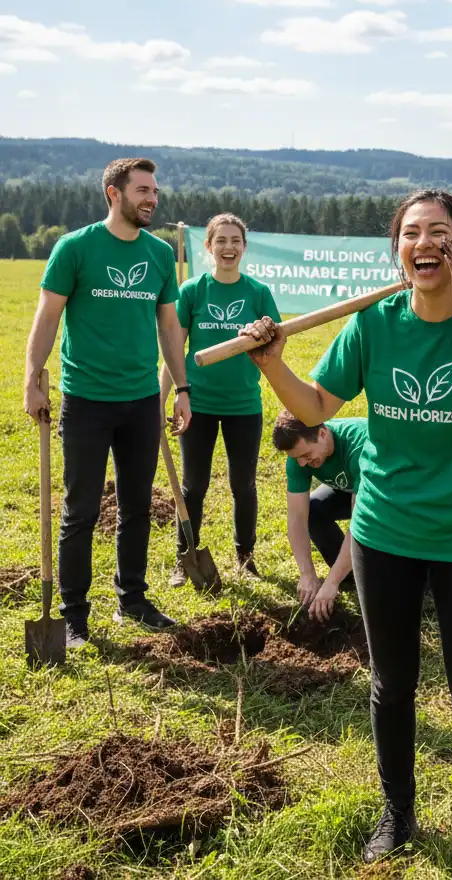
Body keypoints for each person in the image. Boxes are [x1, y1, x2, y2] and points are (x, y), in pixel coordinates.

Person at [238, 189, 452, 865]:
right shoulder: (373, 325)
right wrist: (270, 363)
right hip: (384, 532)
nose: (423, 242)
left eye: (439, 233)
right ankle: (397, 813)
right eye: (410, 233)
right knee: (391, 683)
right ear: (396, 250)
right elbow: (315, 405)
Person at [22, 157, 190, 648]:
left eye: (155, 191)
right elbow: (48, 316)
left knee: (137, 506)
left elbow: (168, 326)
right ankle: (74, 615)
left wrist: (181, 389)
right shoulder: (75, 248)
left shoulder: (159, 255)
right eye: (142, 190)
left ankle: (132, 599)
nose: (152, 199)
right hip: (86, 401)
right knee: (81, 510)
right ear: (113, 195)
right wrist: (32, 378)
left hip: (141, 401)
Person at [169, 213, 280, 585]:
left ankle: (245, 558)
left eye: (235, 241)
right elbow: (174, 347)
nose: (228, 248)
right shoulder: (192, 291)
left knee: (243, 485)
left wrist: (266, 335)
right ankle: (185, 559)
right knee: (193, 486)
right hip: (197, 403)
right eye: (221, 241)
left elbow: (277, 342)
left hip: (244, 406)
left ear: (244, 247)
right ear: (209, 247)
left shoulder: (258, 293)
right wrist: (167, 395)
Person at [271, 410, 367, 622]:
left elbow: (360, 524)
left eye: (306, 455)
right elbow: (297, 518)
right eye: (298, 459)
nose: (303, 463)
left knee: (378, 535)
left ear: (322, 434)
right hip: (350, 487)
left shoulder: (359, 445)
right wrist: (307, 573)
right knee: (313, 510)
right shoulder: (299, 458)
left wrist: (330, 582)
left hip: (394, 491)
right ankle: (349, 577)